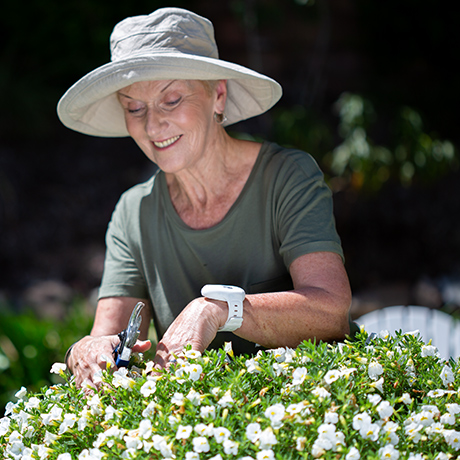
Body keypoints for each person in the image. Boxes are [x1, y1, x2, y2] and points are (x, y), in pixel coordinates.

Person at [56, 7, 352, 389]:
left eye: (172, 99)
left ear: (218, 96)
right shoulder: (134, 211)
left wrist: (217, 310)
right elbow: (109, 339)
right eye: (134, 107)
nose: (152, 124)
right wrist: (84, 350)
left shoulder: (287, 176)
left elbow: (332, 311)